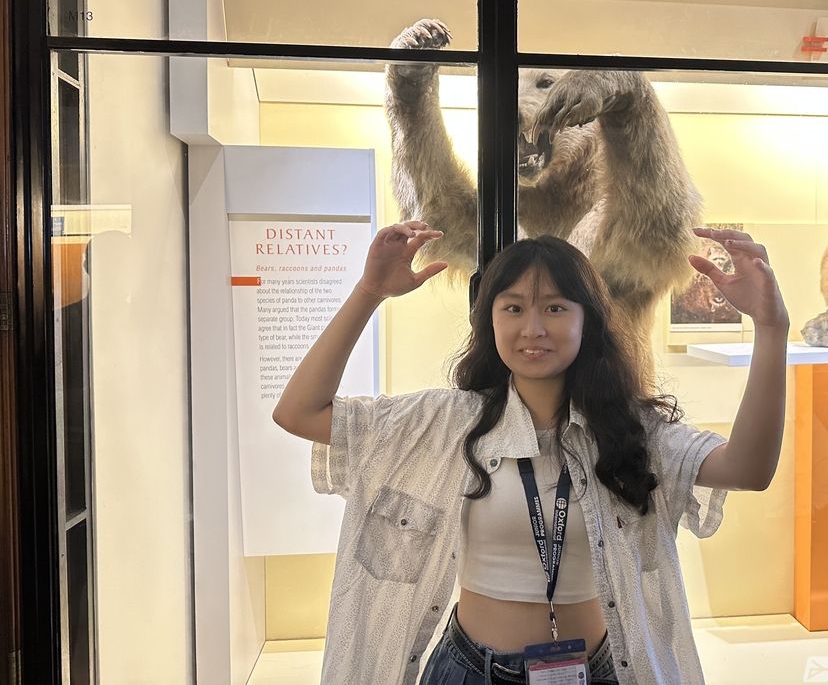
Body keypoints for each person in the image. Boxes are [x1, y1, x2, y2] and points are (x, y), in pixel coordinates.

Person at [272, 220, 789, 685]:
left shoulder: (630, 431)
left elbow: (748, 468)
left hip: (600, 671)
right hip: (471, 671)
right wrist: (369, 292)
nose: (533, 328)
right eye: (514, 307)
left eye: (555, 308)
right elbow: (298, 412)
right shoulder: (444, 422)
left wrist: (771, 328)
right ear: (490, 320)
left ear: (588, 321)